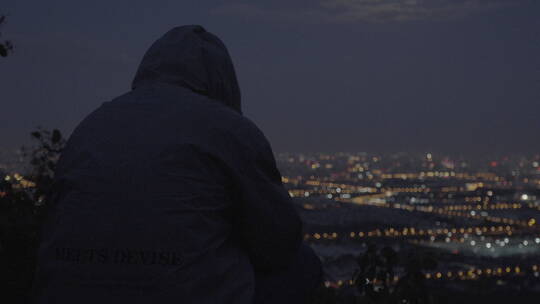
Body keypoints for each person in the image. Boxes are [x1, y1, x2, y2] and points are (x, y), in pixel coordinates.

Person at [31, 25, 323, 304]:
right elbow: (280, 242)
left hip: (65, 294)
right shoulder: (228, 129)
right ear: (224, 78)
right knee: (303, 265)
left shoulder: (93, 125)